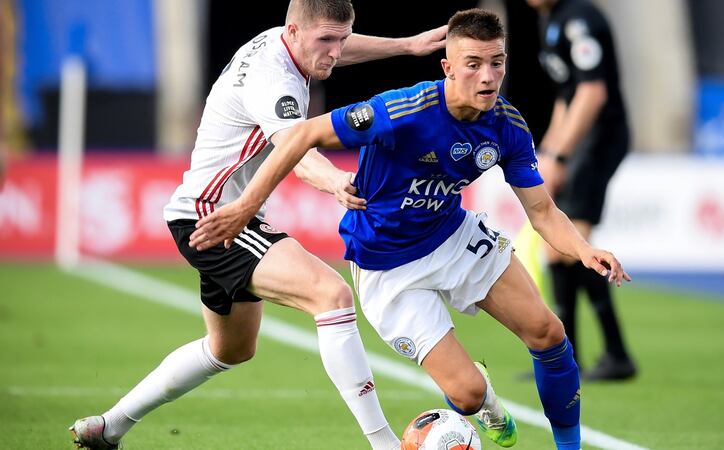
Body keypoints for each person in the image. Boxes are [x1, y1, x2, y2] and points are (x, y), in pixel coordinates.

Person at [190, 8, 631, 450]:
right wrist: (246, 206)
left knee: (548, 332)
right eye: (473, 64)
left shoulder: (507, 126)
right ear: (448, 67)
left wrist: (584, 249)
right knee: (467, 394)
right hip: (387, 266)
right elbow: (303, 135)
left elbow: (542, 212)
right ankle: (488, 405)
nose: (487, 76)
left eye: (496, 62)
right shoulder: (401, 110)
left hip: (452, 236)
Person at [69, 1, 448, 449]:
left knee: (230, 349)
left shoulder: (284, 39)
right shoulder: (274, 81)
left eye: (342, 39)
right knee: (332, 296)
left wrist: (407, 45)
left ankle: (108, 427)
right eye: (326, 40)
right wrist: (335, 181)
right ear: (294, 32)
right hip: (215, 217)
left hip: (210, 213)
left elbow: (334, 44)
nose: (335, 51)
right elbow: (296, 151)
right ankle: (384, 444)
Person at [524, 0, 636, 381]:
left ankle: (616, 355)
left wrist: (560, 154)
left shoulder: (580, 20)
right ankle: (566, 358)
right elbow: (566, 96)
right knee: (557, 251)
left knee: (576, 245)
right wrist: (547, 153)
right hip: (579, 141)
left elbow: (591, 94)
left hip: (599, 138)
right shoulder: (550, 21)